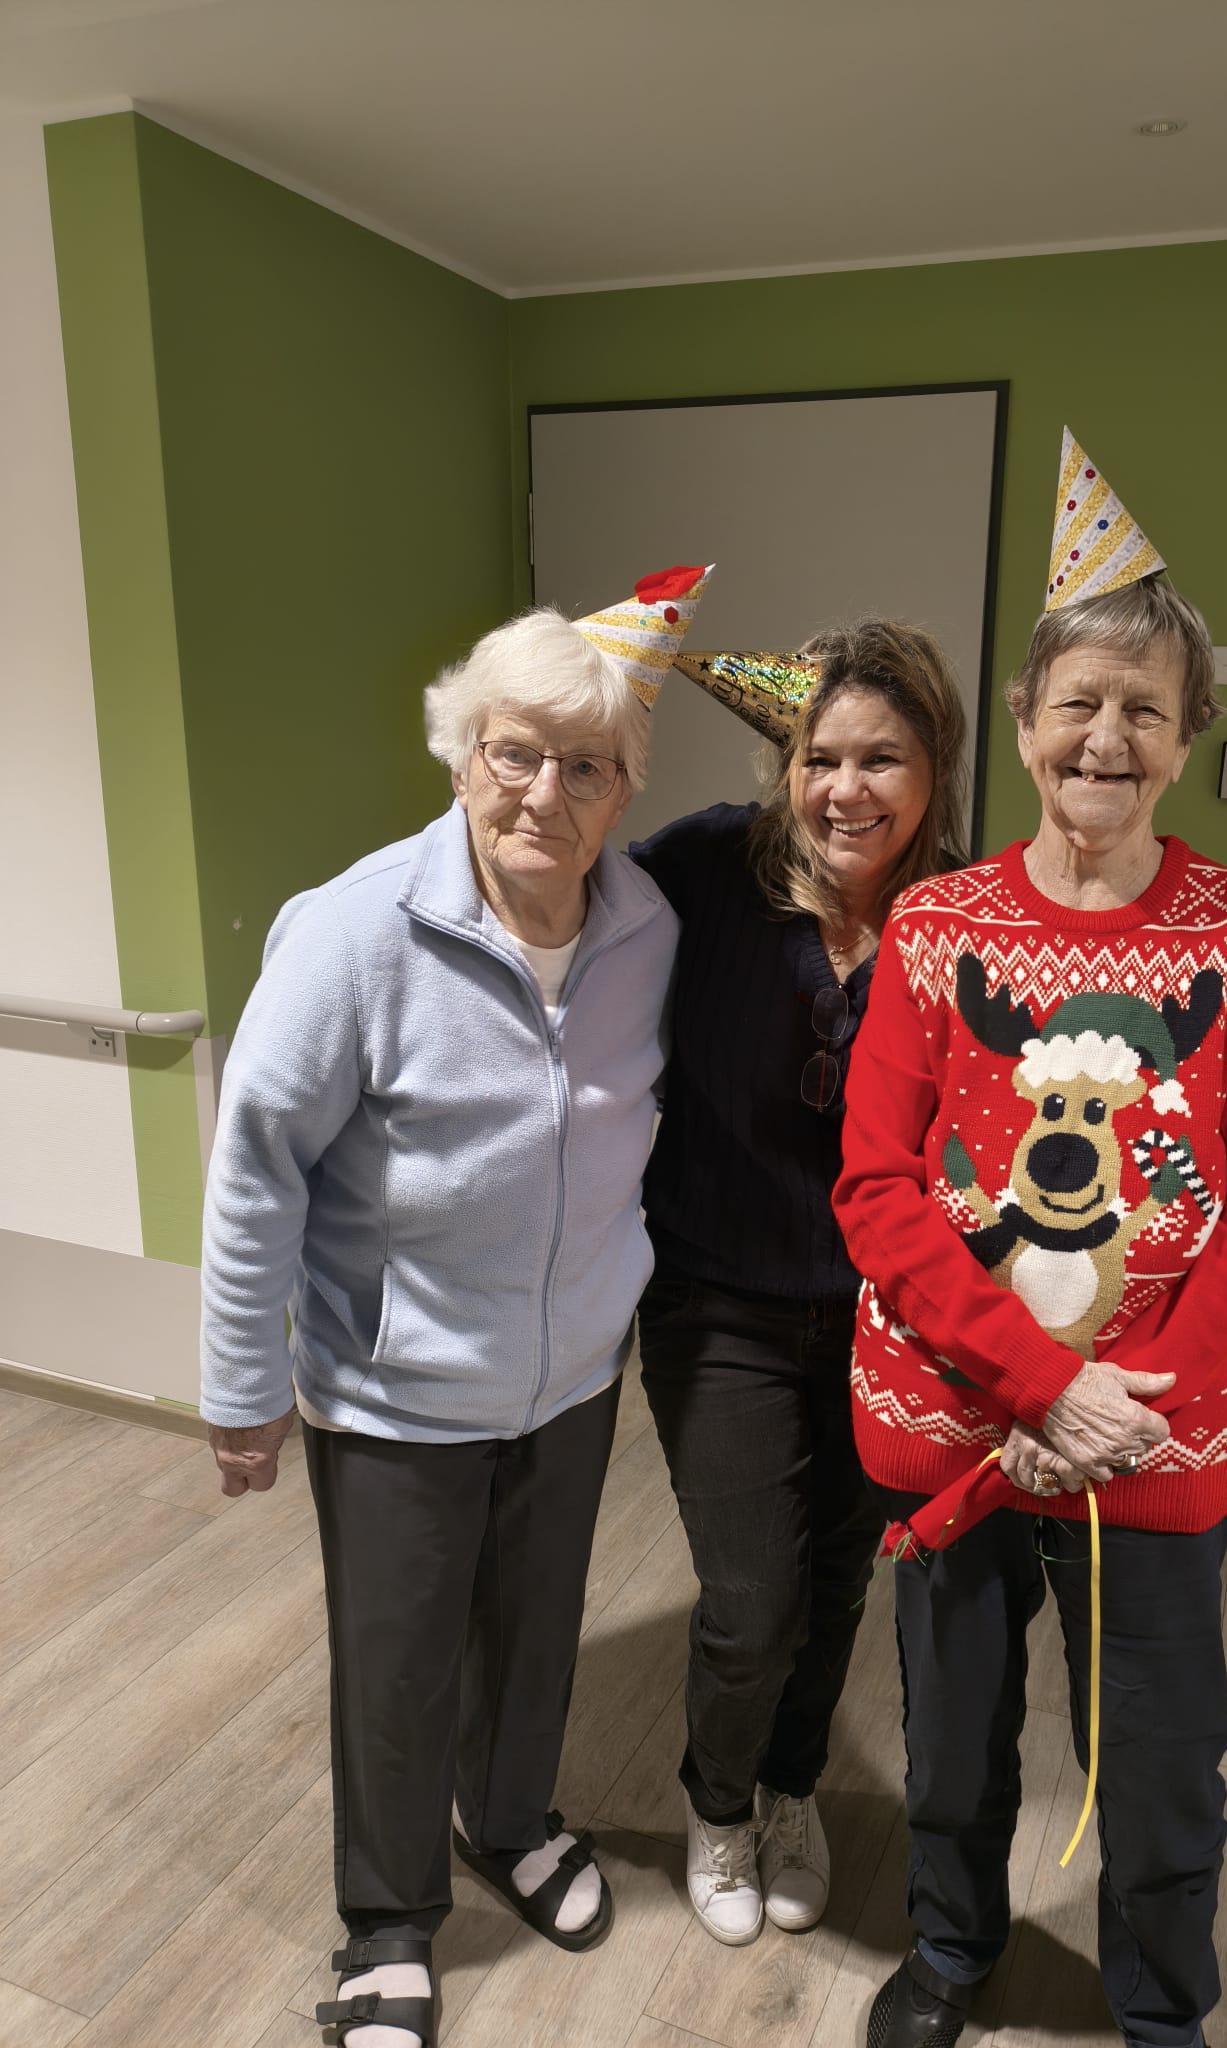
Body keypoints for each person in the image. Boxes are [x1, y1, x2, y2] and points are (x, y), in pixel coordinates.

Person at [833, 432, 1227, 2048]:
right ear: (1028, 721)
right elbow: (878, 1190)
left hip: (1160, 1435)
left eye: (1145, 710)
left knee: (1167, 1760)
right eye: (1078, 705)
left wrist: (1131, 1396)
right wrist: (1043, 1383)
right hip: (958, 1418)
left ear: (1188, 737)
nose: (1106, 738)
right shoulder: (935, 927)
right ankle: (952, 1952)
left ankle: (1162, 2011)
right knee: (954, 1733)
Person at [199, 571, 710, 2048]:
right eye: (514, 751)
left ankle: (510, 1818)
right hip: (394, 1390)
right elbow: (257, 1171)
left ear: (624, 792)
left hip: (570, 1374)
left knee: (535, 1634)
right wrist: (243, 1387)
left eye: (585, 766)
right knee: (400, 1664)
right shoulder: (356, 935)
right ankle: (386, 1923)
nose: (544, 792)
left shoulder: (648, 930)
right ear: (460, 753)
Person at [629, 621, 971, 1945]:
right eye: (820, 757)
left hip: (889, 1318)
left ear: (935, 766)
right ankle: (717, 1803)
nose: (845, 789)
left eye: (881, 758)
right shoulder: (706, 870)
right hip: (718, 1299)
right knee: (751, 1602)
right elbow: (551, 908)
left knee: (834, 1586)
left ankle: (788, 1790)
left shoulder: (964, 921)